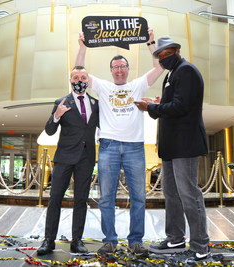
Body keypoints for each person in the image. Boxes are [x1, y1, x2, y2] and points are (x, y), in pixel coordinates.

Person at [76, 28, 164, 256]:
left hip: (135, 147)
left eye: (123, 66)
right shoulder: (104, 87)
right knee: (106, 197)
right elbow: (78, 72)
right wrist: (83, 47)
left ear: (127, 69)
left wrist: (151, 43)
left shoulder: (137, 85)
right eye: (115, 67)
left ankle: (135, 241)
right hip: (108, 146)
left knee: (139, 197)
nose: (119, 70)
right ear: (111, 71)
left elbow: (159, 67)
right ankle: (110, 241)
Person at [134, 36, 210, 261]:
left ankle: (200, 245)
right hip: (172, 146)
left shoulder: (186, 71)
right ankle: (175, 238)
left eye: (167, 53)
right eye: (160, 55)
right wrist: (159, 102)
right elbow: (176, 102)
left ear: (177, 50)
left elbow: (181, 106)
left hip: (184, 145)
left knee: (189, 194)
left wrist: (152, 107)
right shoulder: (173, 73)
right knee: (172, 194)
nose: (163, 58)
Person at [37, 66, 99, 255]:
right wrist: (57, 115)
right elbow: (49, 130)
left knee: (81, 200)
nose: (79, 79)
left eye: (83, 77)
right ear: (70, 80)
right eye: (75, 77)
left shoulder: (96, 104)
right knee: (55, 198)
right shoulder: (61, 101)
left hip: (86, 159)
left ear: (87, 81)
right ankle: (49, 240)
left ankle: (77, 241)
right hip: (64, 158)